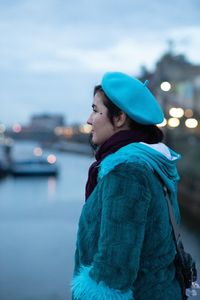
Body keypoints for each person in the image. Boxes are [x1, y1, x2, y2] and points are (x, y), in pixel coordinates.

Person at [71, 72, 182, 299]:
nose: (88, 120)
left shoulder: (126, 172)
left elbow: (113, 274)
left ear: (120, 117)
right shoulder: (149, 162)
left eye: (95, 110)